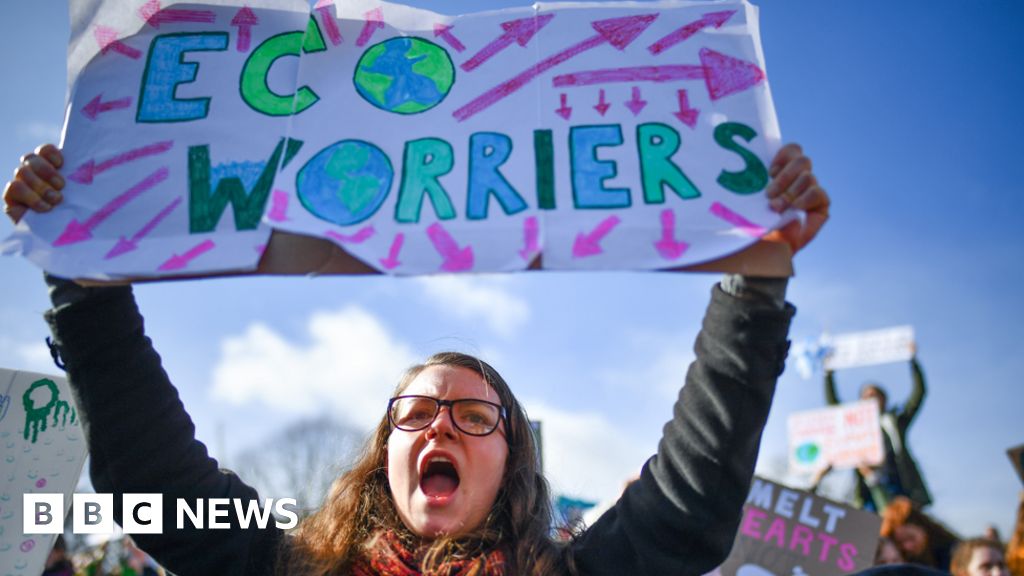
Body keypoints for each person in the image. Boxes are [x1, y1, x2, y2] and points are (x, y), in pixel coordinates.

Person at [5, 142, 829, 576]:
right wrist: (87, 285)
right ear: (385, 451)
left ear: (510, 460)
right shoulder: (281, 562)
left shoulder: (575, 573)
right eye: (416, 413)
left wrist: (752, 289)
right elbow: (162, 481)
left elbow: (688, 503)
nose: (443, 424)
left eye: (475, 416)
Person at [824, 351, 932, 511]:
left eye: (875, 395)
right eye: (866, 396)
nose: (871, 399)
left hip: (899, 483)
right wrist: (828, 374)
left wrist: (913, 361)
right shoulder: (855, 423)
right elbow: (834, 405)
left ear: (884, 400)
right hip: (867, 487)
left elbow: (919, 394)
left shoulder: (895, 421)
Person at [880, 496, 960, 570]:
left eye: (911, 537)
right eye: (899, 543)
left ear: (925, 529)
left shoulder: (953, 554)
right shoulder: (903, 565)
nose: (907, 546)